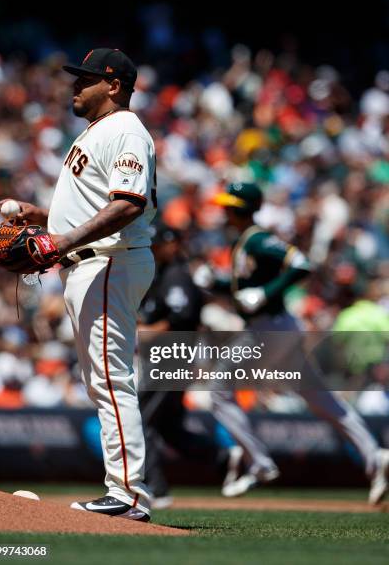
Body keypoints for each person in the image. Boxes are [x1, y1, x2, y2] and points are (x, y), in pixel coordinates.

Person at [0, 48, 157, 521]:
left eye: (86, 79)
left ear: (113, 85)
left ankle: (128, 495)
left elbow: (129, 203)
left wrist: (62, 237)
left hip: (108, 261)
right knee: (101, 380)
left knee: (110, 379)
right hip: (92, 262)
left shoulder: (126, 128)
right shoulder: (97, 132)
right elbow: (95, 207)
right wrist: (43, 217)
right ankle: (124, 490)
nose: (75, 85)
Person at [213, 182, 389, 505]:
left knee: (217, 389)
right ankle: (375, 457)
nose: (224, 211)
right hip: (276, 329)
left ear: (240, 209)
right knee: (320, 398)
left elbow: (301, 264)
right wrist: (219, 284)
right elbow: (248, 287)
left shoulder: (258, 238)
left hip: (269, 329)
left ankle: (260, 461)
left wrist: (267, 293)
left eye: (229, 206)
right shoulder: (246, 240)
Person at [138, 225, 241, 508]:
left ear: (172, 245)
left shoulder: (177, 276)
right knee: (170, 428)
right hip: (165, 358)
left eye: (159, 244)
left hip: (171, 357)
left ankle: (156, 489)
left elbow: (182, 317)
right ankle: (220, 457)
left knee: (140, 420)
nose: (155, 248)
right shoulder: (161, 275)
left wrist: (150, 331)